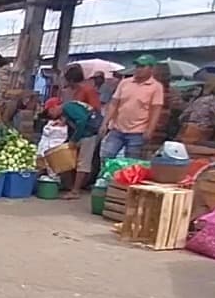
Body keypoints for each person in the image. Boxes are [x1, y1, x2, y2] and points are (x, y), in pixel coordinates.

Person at [101, 54, 163, 160]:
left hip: (138, 132)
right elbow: (114, 103)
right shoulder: (125, 83)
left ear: (151, 69)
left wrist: (150, 130)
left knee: (131, 161)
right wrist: (105, 122)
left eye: (142, 66)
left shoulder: (156, 87)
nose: (138, 69)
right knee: (106, 156)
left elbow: (155, 110)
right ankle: (105, 176)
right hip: (117, 129)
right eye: (137, 66)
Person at [60, 65, 102, 199]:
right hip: (78, 130)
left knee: (83, 161)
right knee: (70, 157)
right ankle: (70, 185)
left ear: (71, 80)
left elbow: (94, 110)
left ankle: (75, 190)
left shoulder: (88, 90)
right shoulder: (77, 91)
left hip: (87, 131)